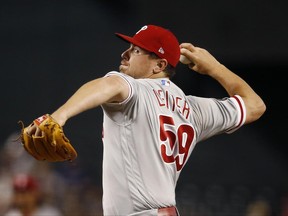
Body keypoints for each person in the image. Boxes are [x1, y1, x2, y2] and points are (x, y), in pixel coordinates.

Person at [25, 24, 266, 216]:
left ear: (159, 65)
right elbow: (255, 106)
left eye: (136, 50)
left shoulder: (136, 89)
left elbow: (108, 84)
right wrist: (215, 67)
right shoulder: (194, 110)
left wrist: (59, 116)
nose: (125, 53)